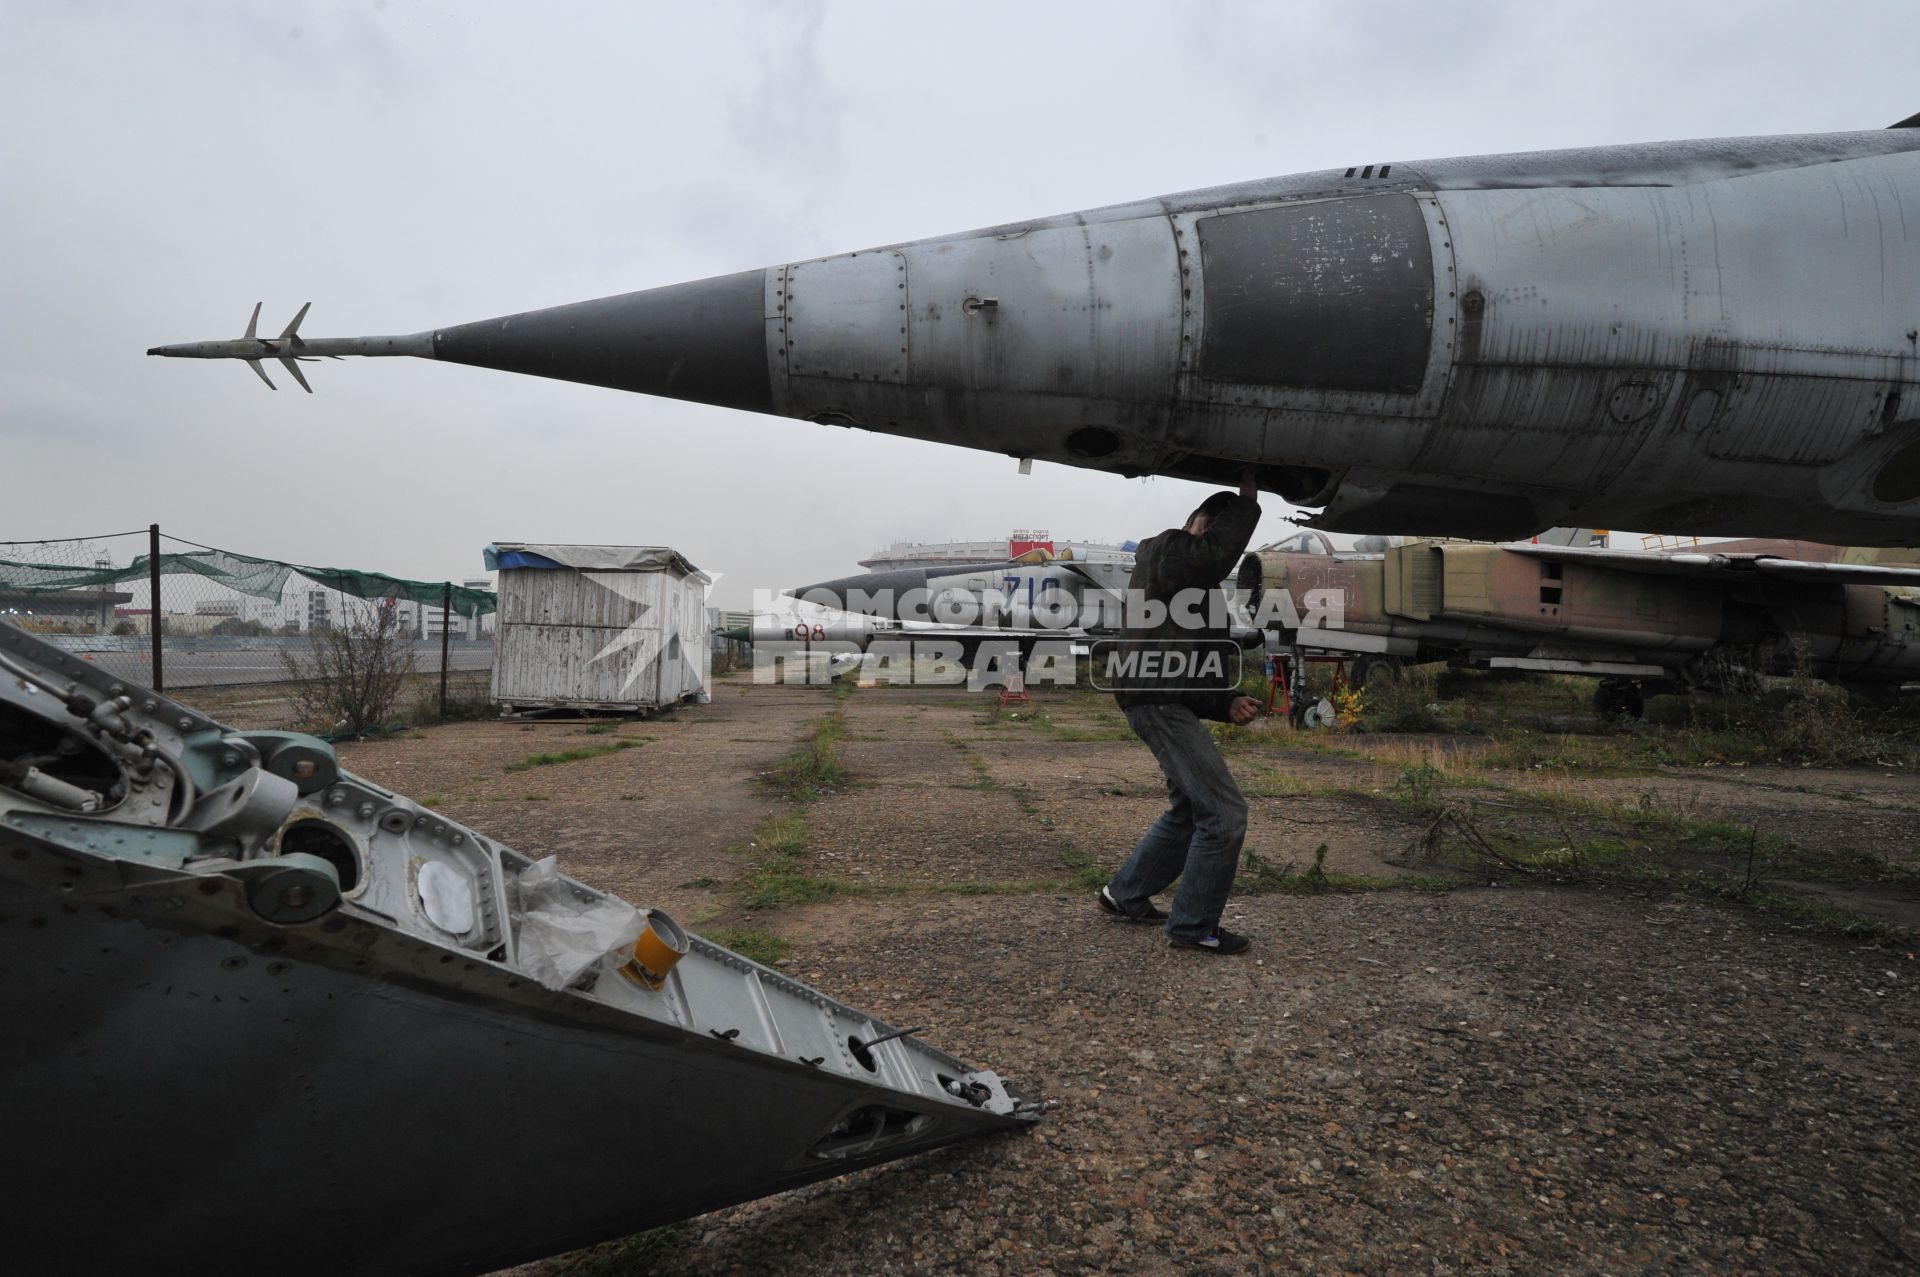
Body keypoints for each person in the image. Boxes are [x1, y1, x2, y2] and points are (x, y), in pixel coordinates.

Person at [1099, 468, 1263, 954]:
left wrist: (1225, 701)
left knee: (1192, 808)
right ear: (1200, 524)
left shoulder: (1192, 580)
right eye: (1215, 534)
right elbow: (1211, 553)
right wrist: (1248, 499)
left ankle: (1124, 893)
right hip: (1156, 700)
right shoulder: (1164, 549)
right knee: (1225, 813)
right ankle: (1193, 927)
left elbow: (1193, 663)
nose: (1220, 553)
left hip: (1160, 695)